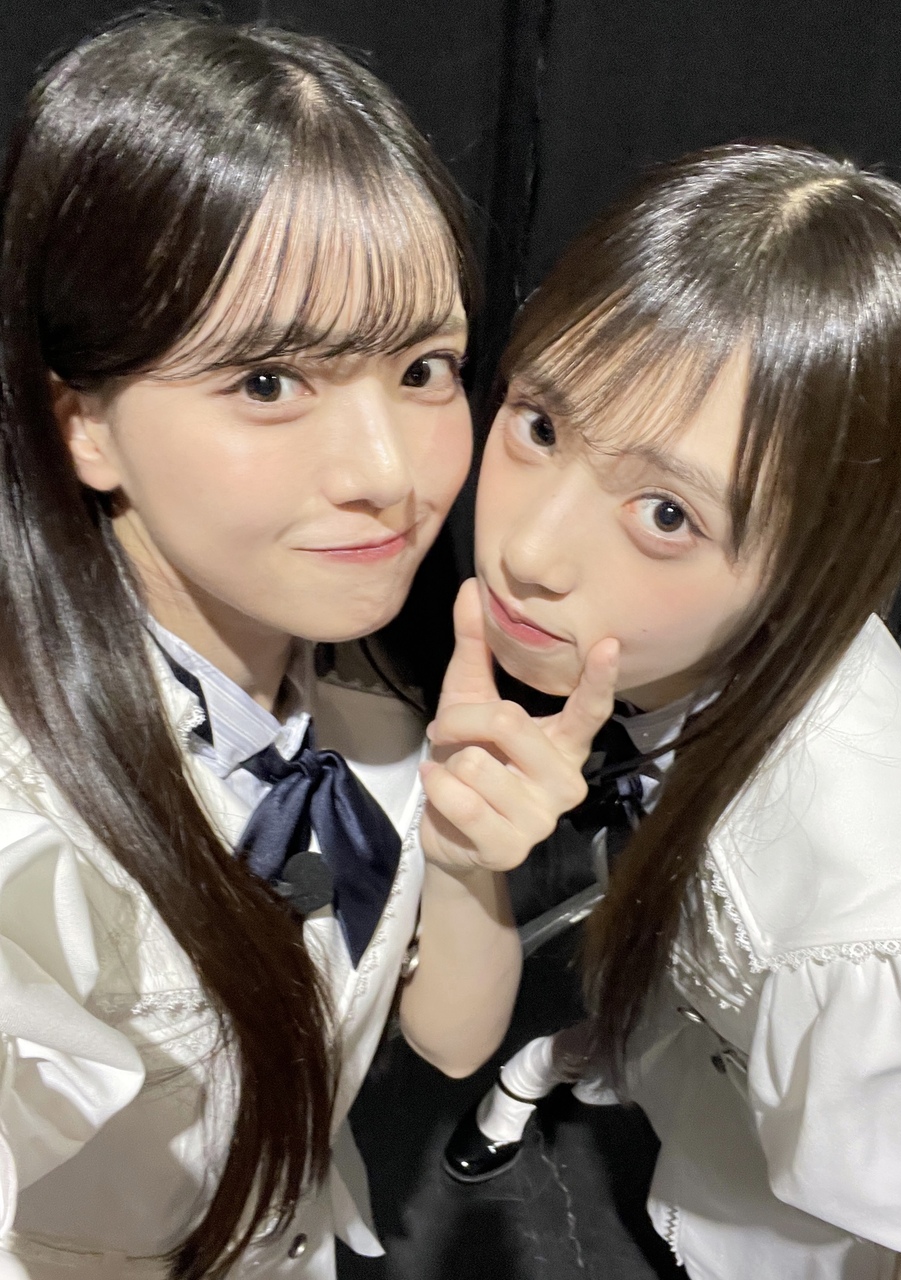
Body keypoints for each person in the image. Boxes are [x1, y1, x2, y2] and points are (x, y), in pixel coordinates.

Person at [0, 14, 618, 1279]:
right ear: (84, 424)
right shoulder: (26, 838)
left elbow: (451, 1042)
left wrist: (465, 858)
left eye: (424, 367)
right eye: (270, 381)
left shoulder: (358, 667)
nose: (391, 472)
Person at [442, 143, 901, 1280]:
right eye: (540, 425)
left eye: (667, 513)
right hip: (678, 1032)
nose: (529, 552)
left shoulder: (870, 933)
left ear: (818, 562)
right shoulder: (677, 659)